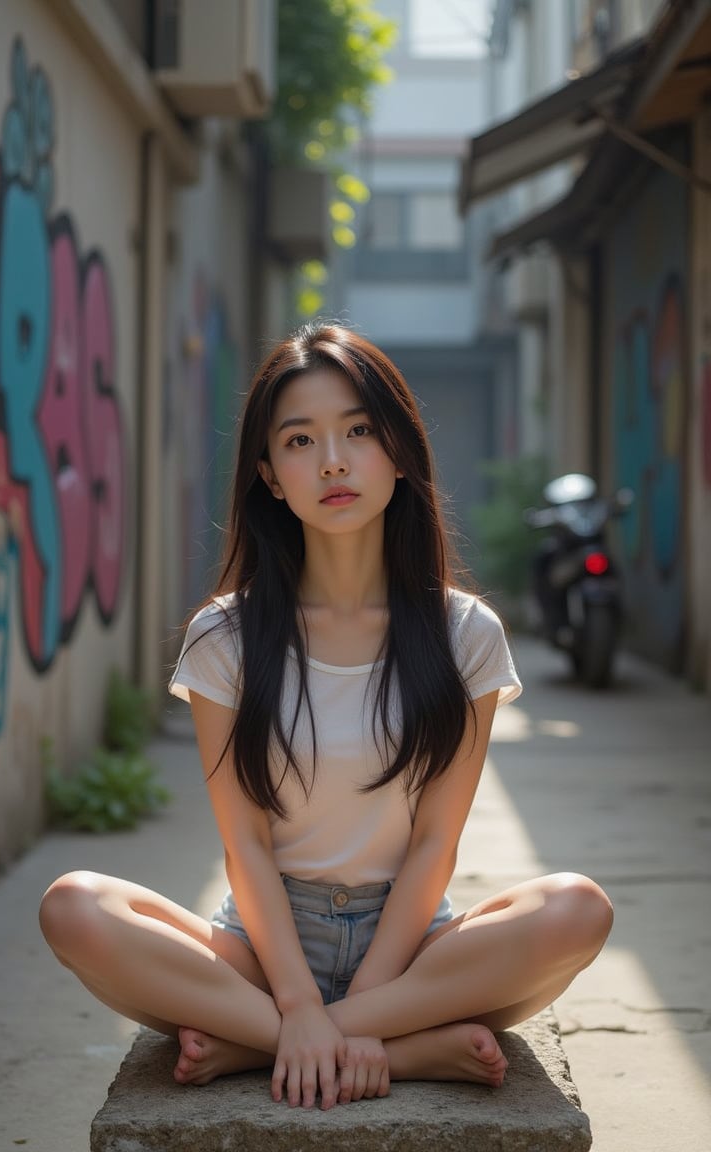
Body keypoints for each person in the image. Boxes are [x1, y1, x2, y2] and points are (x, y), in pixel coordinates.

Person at [40, 322, 613, 1111]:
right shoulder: (225, 637)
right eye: (301, 440)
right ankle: (391, 1049)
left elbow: (435, 842)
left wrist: (354, 999)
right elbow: (243, 843)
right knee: (74, 906)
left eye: (358, 431)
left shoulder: (465, 634)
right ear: (270, 475)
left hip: (412, 952)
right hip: (260, 945)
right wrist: (298, 1001)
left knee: (577, 909)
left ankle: (267, 1041)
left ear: (399, 453)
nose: (334, 460)